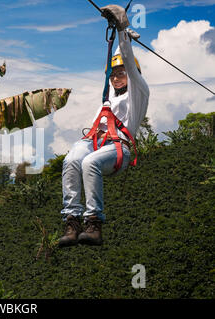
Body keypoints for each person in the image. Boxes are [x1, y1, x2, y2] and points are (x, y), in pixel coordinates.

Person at [58, 5, 150, 247]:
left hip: (117, 148)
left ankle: (94, 222)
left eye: (121, 74)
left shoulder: (138, 94)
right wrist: (118, 35)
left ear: (133, 76)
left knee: (89, 163)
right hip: (94, 142)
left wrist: (122, 29)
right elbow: (114, 63)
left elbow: (128, 64)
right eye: (113, 75)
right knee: (71, 161)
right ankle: (72, 220)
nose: (116, 78)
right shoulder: (109, 95)